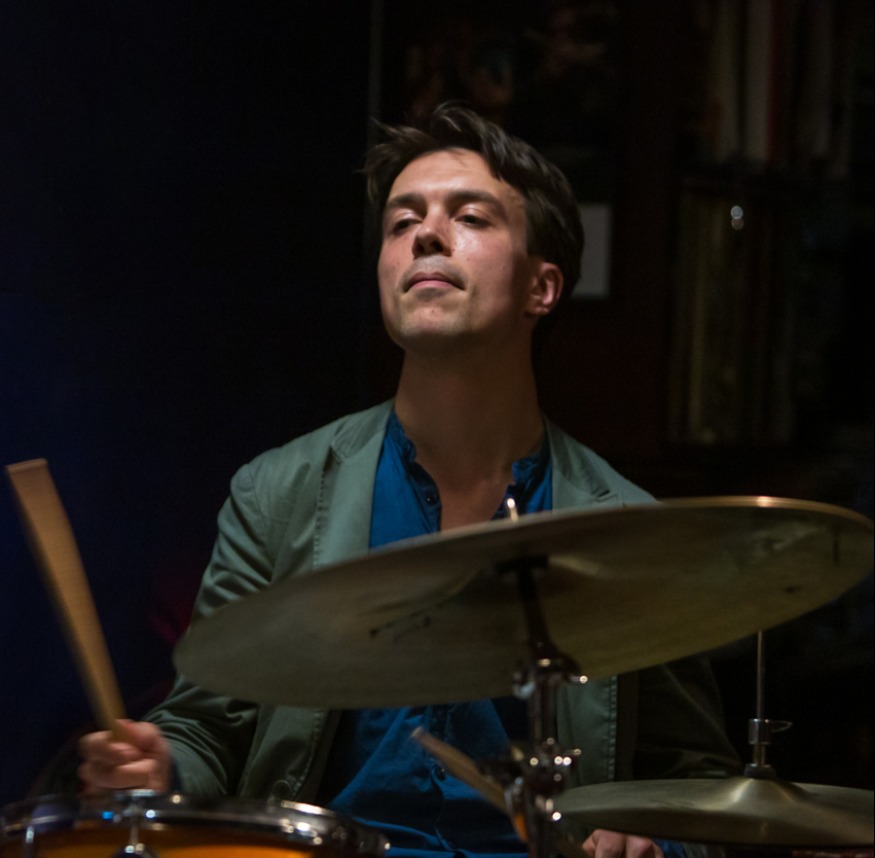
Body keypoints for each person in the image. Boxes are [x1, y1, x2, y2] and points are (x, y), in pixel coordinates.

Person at [78, 104, 740, 857]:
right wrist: (160, 766)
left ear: (542, 287)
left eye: (470, 217)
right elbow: (206, 731)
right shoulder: (276, 495)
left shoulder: (631, 529)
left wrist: (654, 842)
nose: (425, 234)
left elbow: (698, 788)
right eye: (402, 222)